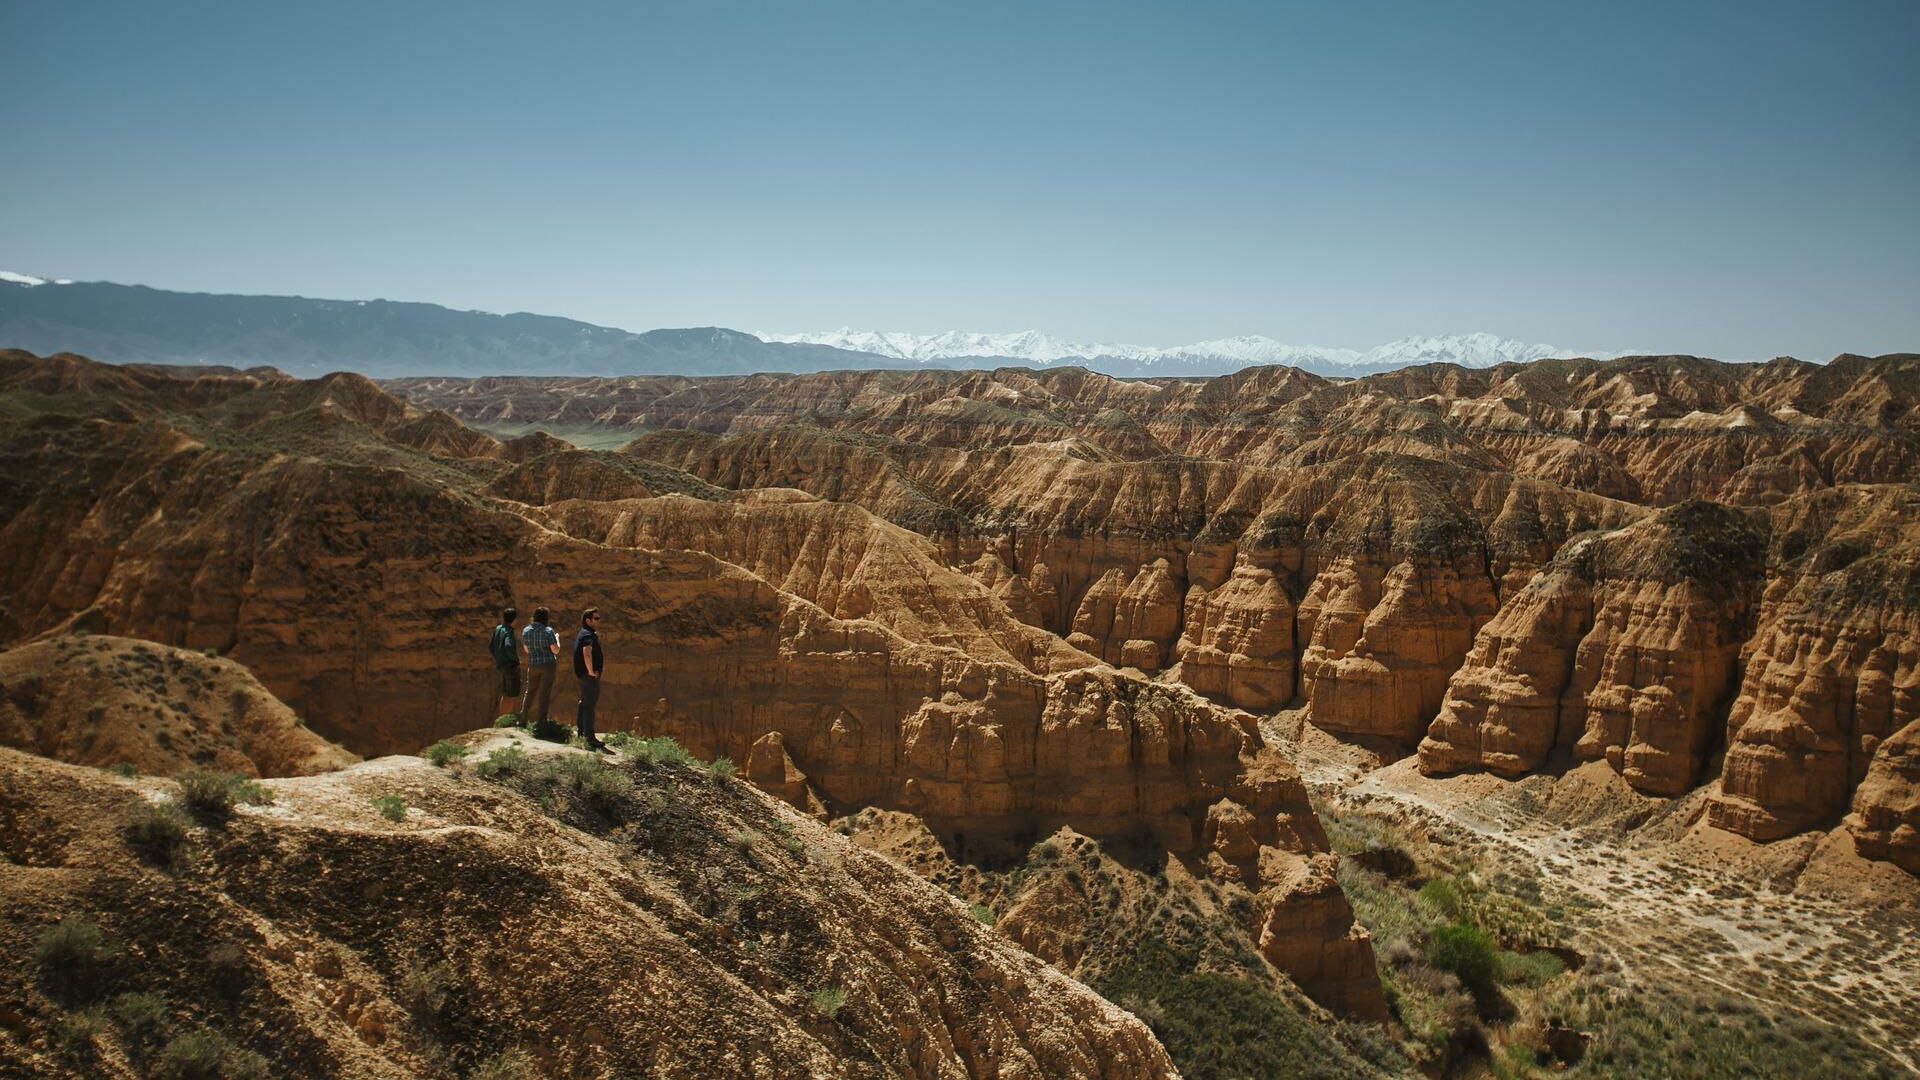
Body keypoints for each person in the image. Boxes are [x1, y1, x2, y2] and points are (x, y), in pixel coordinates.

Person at [573, 607, 608, 753]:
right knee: (589, 705)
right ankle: (589, 737)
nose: (598, 621)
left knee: (584, 702)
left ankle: (582, 732)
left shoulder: (585, 633)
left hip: (584, 674)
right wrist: (591, 672)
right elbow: (586, 653)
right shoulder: (588, 634)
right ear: (588, 620)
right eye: (596, 618)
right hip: (588, 676)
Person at [519, 607, 560, 727]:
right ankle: (541, 721)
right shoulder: (548, 631)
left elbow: (526, 650)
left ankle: (523, 719)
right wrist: (557, 639)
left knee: (529, 692)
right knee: (544, 694)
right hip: (548, 665)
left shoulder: (526, 631)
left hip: (533, 665)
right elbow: (555, 650)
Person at [490, 606, 522, 719]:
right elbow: (509, 646)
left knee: (505, 693)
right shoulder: (508, 631)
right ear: (514, 619)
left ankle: (502, 718)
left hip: (501, 665)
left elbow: (491, 646)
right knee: (512, 694)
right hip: (510, 666)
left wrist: (498, 657)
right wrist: (515, 659)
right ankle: (506, 720)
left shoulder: (498, 629)